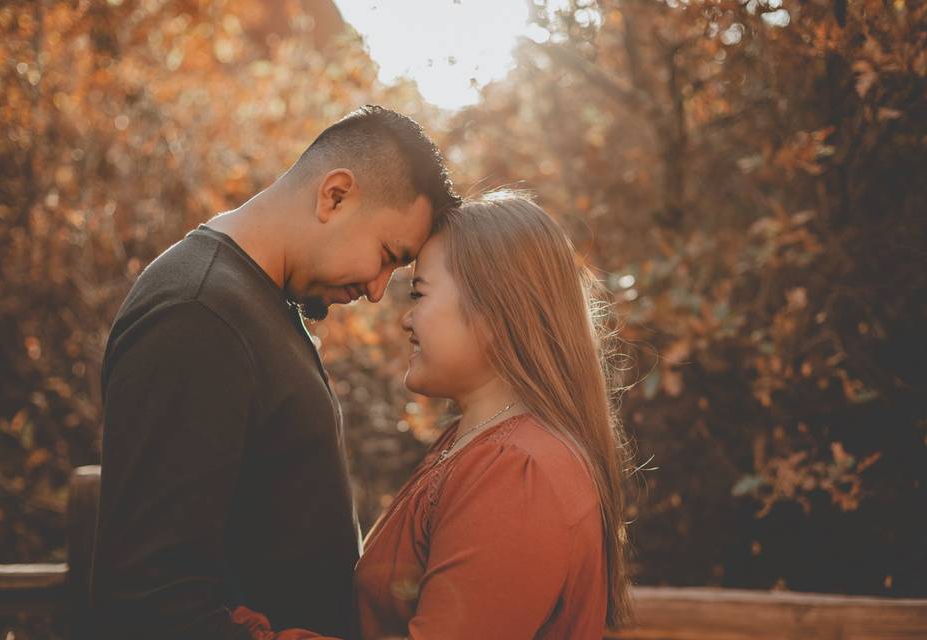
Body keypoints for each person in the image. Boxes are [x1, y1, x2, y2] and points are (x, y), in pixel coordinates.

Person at [89, 105, 460, 640]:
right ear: (335, 195)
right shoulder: (198, 313)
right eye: (386, 255)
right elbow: (146, 595)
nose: (379, 289)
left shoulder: (255, 305)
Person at [234, 191, 633, 639]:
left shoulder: (518, 473)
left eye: (418, 293)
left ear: (494, 308)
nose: (406, 319)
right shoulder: (475, 445)